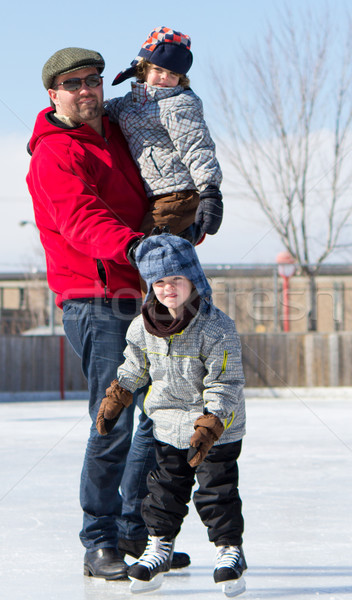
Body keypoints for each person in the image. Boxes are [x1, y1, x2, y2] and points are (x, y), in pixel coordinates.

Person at [26, 47, 189, 580]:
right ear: (54, 95)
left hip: (143, 294)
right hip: (95, 302)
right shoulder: (55, 153)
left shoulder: (117, 133)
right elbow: (82, 220)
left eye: (92, 80)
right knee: (113, 420)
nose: (85, 90)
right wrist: (141, 246)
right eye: (72, 84)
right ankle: (99, 541)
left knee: (160, 413)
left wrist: (189, 203)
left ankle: (133, 531)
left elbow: (162, 154)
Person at [96, 233, 247, 596]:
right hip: (167, 423)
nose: (167, 289)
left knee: (216, 491)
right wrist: (119, 393)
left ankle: (229, 551)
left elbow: (226, 381)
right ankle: (159, 546)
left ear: (194, 279)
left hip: (216, 430)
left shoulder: (216, 327)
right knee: (163, 490)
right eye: (158, 282)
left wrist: (211, 423)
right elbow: (135, 365)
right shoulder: (142, 326)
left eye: (175, 279)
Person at [105, 26, 223, 245]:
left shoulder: (179, 104)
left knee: (150, 255)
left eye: (173, 74)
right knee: (166, 263)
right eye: (159, 70)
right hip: (155, 195)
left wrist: (210, 191)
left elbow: (197, 146)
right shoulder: (129, 102)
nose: (165, 78)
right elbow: (102, 113)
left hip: (178, 194)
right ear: (144, 67)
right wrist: (57, 129)